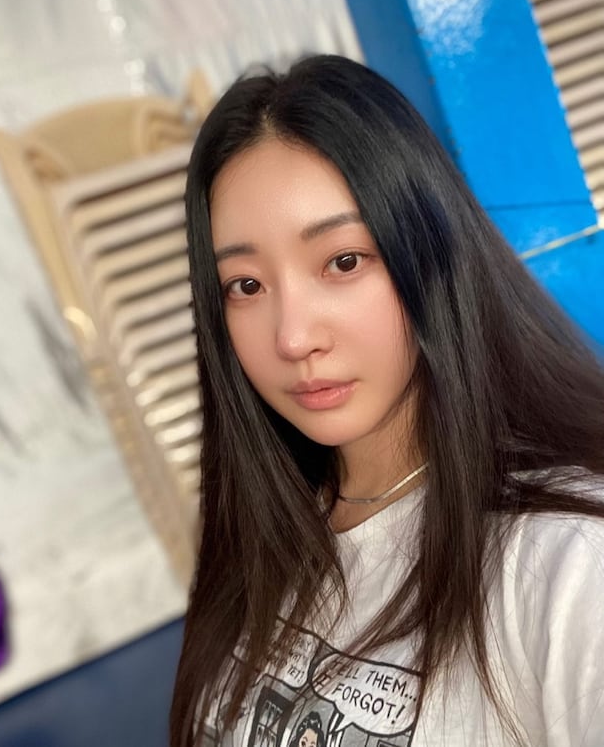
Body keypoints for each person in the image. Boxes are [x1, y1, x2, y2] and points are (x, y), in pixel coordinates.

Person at [170, 55, 604, 747]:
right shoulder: (267, 540)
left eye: (343, 262)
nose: (293, 337)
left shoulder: (568, 557)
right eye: (246, 286)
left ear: (428, 252)